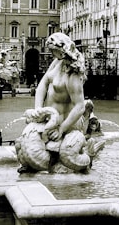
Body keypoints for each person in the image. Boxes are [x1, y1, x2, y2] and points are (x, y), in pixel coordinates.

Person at [31, 32, 89, 171]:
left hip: (66, 124)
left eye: (54, 51)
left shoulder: (73, 73)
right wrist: (38, 109)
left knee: (60, 157)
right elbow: (42, 84)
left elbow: (80, 106)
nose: (52, 54)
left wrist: (61, 129)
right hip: (48, 119)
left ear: (63, 50)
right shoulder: (57, 62)